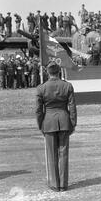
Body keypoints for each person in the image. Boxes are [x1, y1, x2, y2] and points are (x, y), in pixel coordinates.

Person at [36, 61, 77, 192]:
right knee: (63, 154)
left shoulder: (41, 88)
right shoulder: (67, 86)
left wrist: (40, 124)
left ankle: (54, 183)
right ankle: (63, 184)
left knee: (52, 154)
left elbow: (38, 110)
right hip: (64, 121)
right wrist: (73, 123)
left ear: (47, 72)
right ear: (59, 71)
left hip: (48, 122)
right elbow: (72, 107)